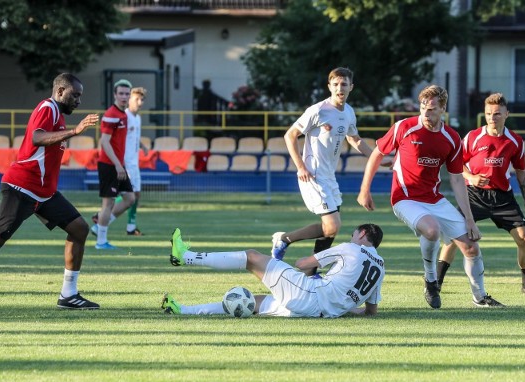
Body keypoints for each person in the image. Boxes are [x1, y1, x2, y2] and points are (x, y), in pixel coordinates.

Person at [0, 73, 101, 312]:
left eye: (80, 96)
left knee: (79, 229)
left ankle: (69, 294)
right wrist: (74, 131)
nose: (78, 100)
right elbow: (37, 137)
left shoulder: (57, 116)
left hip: (43, 193)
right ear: (59, 92)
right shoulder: (48, 107)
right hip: (22, 188)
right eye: (75, 95)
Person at [357, 84, 505, 309]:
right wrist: (364, 190)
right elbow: (377, 154)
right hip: (404, 198)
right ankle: (431, 280)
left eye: (432, 109)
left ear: (443, 109)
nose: (426, 113)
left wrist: (469, 219)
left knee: (471, 247)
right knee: (432, 229)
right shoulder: (403, 127)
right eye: (423, 107)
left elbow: (456, 179)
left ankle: (480, 297)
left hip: (434, 199)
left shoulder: (452, 138)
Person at [270, 67, 389, 276]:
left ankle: (311, 272)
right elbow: (290, 135)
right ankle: (284, 239)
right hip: (313, 174)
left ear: (351, 87)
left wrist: (377, 158)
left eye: (344, 84)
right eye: (335, 84)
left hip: (329, 176)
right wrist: (300, 166)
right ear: (329, 87)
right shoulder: (318, 110)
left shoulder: (349, 112)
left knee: (331, 228)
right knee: (332, 224)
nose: (339, 88)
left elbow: (355, 139)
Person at [437, 93, 525, 294]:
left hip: (503, 198)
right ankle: (436, 283)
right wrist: (472, 177)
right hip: (474, 196)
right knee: (453, 238)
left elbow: (521, 172)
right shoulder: (473, 137)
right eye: (488, 113)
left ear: (506, 114)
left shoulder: (515, 141)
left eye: (496, 114)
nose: (492, 117)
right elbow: (456, 165)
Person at [163, 224, 385, 318]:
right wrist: (342, 307)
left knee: (252, 257)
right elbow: (370, 311)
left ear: (363, 233)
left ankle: (185, 257)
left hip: (308, 294)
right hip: (319, 312)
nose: (351, 238)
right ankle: (182, 310)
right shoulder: (381, 267)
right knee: (253, 303)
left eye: (354, 235)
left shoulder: (351, 249)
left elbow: (302, 264)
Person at [90, 79, 135, 249]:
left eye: (126, 94)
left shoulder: (123, 114)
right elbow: (105, 142)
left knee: (130, 199)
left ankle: (98, 226)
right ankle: (101, 242)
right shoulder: (111, 115)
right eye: (121, 93)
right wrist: (117, 164)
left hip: (118, 165)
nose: (124, 96)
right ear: (115, 95)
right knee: (107, 204)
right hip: (109, 165)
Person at [122, 87, 148, 235]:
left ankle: (131, 227)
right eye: (137, 99)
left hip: (134, 162)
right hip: (126, 163)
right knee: (129, 196)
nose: (140, 102)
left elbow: (134, 137)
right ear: (129, 100)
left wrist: (142, 145)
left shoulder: (137, 118)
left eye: (142, 99)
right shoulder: (124, 117)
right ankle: (100, 217)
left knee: (136, 195)